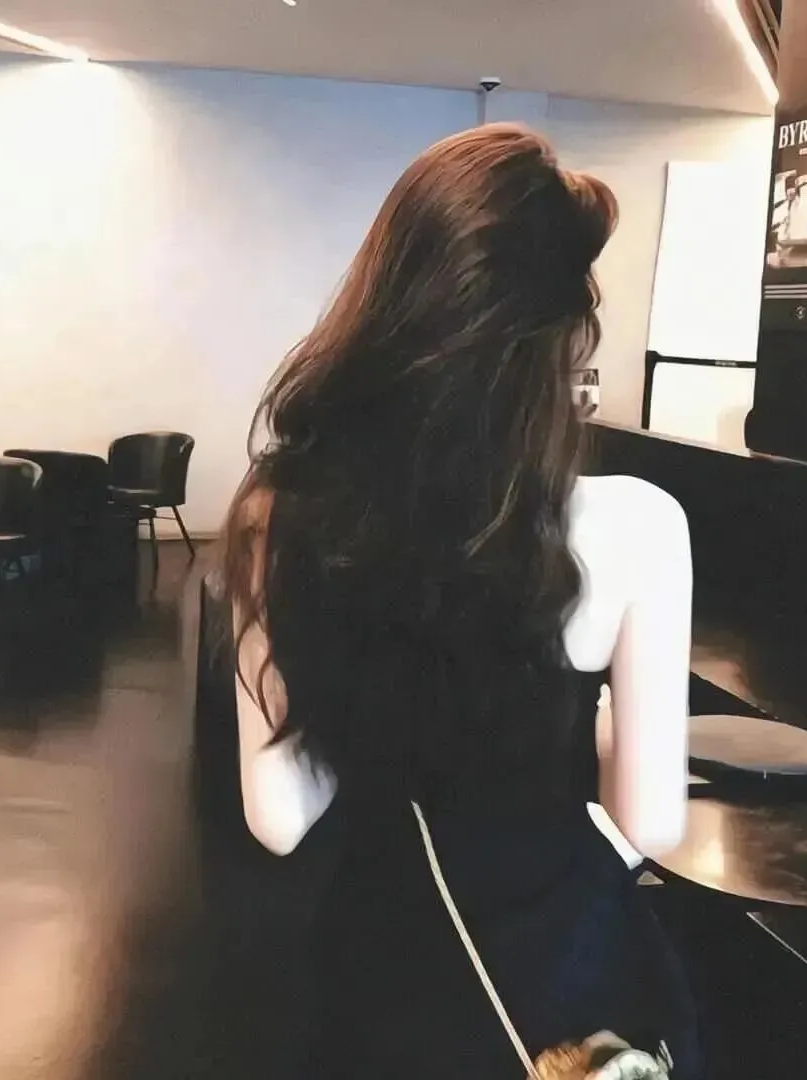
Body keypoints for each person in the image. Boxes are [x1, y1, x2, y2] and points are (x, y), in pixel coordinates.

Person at [218, 123, 697, 1078]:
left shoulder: (282, 512)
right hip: (558, 997)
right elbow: (650, 827)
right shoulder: (641, 523)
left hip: (378, 975)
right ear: (563, 339)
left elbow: (280, 816)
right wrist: (599, 736)